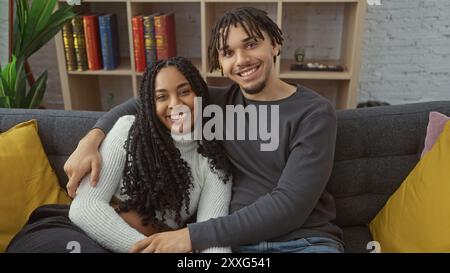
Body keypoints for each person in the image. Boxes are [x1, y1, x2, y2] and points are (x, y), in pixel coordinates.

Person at [65, 7, 344, 253]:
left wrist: (190, 237)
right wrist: (90, 140)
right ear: (220, 63)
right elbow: (148, 102)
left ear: (275, 44)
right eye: (228, 53)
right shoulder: (215, 104)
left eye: (251, 45)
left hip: (305, 241)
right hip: (239, 246)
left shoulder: (314, 113)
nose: (241, 59)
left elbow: (290, 207)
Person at [7, 57, 232, 253]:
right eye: (162, 97)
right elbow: (85, 208)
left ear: (200, 94)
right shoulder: (128, 130)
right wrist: (151, 250)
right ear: (149, 104)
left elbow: (211, 236)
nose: (175, 104)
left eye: (184, 92)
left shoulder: (214, 161)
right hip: (73, 230)